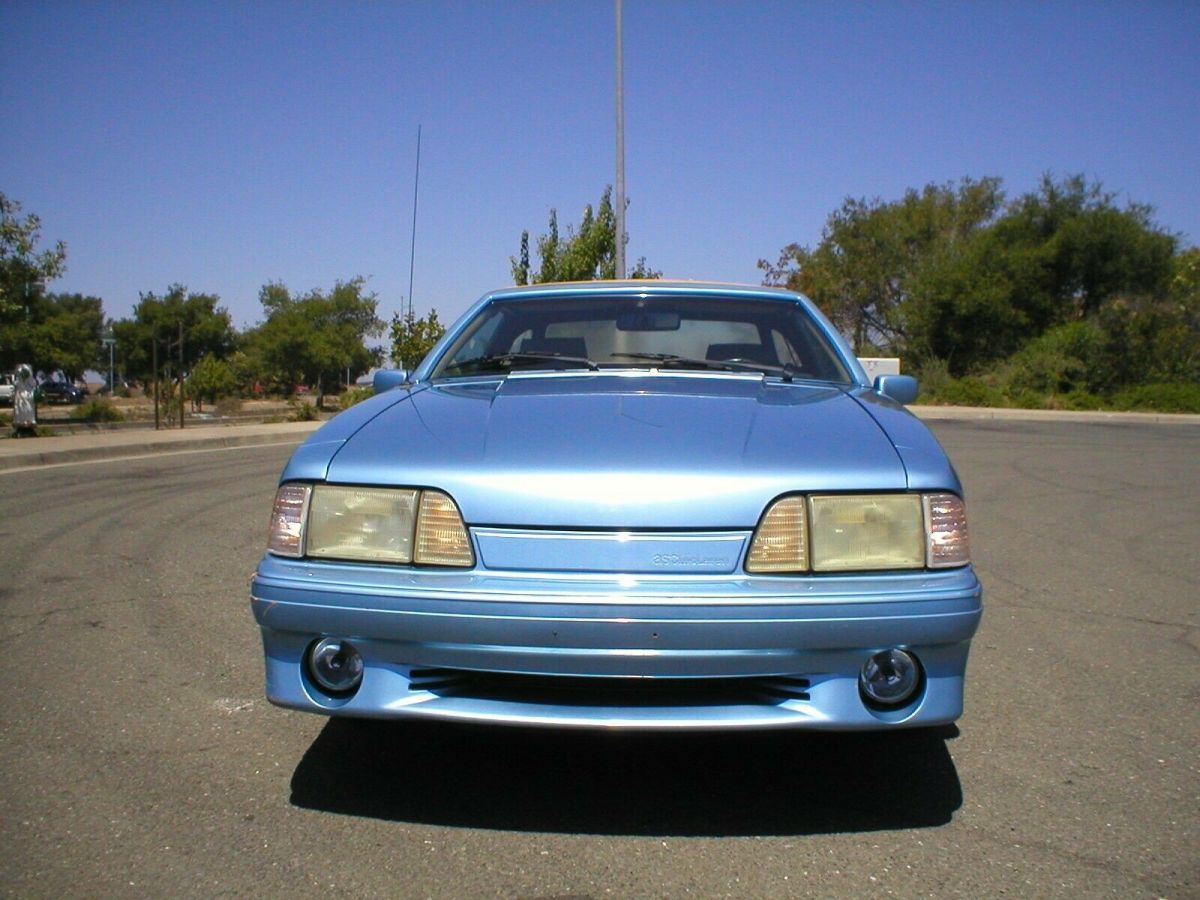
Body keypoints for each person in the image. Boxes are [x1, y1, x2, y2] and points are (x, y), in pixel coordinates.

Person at [12, 364, 37, 437]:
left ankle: (28, 424)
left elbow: (32, 383)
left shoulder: (29, 379)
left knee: (27, 409)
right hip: (21, 394)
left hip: (27, 394)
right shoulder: (19, 380)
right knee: (20, 409)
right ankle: (21, 424)